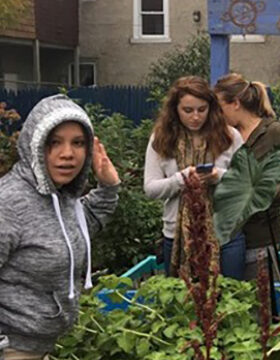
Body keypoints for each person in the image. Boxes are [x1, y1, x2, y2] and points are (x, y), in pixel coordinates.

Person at [0, 94, 120, 359]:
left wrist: (109, 187)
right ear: (34, 144)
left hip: (39, 346)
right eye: (54, 142)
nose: (67, 154)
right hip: (13, 349)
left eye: (78, 143)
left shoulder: (60, 196)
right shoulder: (9, 204)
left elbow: (81, 225)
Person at [143, 76, 244, 279]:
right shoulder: (161, 139)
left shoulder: (229, 136)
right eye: (187, 110)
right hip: (178, 236)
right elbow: (151, 188)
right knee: (183, 302)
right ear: (175, 110)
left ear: (211, 108)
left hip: (226, 233)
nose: (195, 117)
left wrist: (218, 177)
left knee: (232, 301)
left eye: (201, 109)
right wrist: (181, 179)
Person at [214, 73, 280, 281]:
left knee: (259, 302)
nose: (216, 114)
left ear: (235, 103)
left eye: (220, 108)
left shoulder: (273, 132)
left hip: (261, 235)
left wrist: (267, 195)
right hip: (225, 234)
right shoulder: (223, 136)